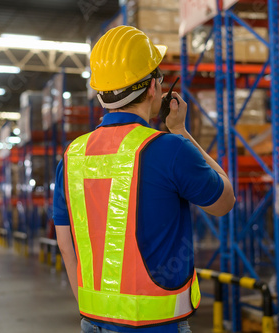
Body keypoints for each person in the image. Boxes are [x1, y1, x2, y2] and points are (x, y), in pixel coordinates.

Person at [53, 25, 235, 333]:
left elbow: (65, 242)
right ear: (153, 88)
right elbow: (224, 202)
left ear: (101, 95)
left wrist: (94, 310)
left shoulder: (73, 155)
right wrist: (180, 130)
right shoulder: (170, 149)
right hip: (156, 326)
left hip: (93, 322)